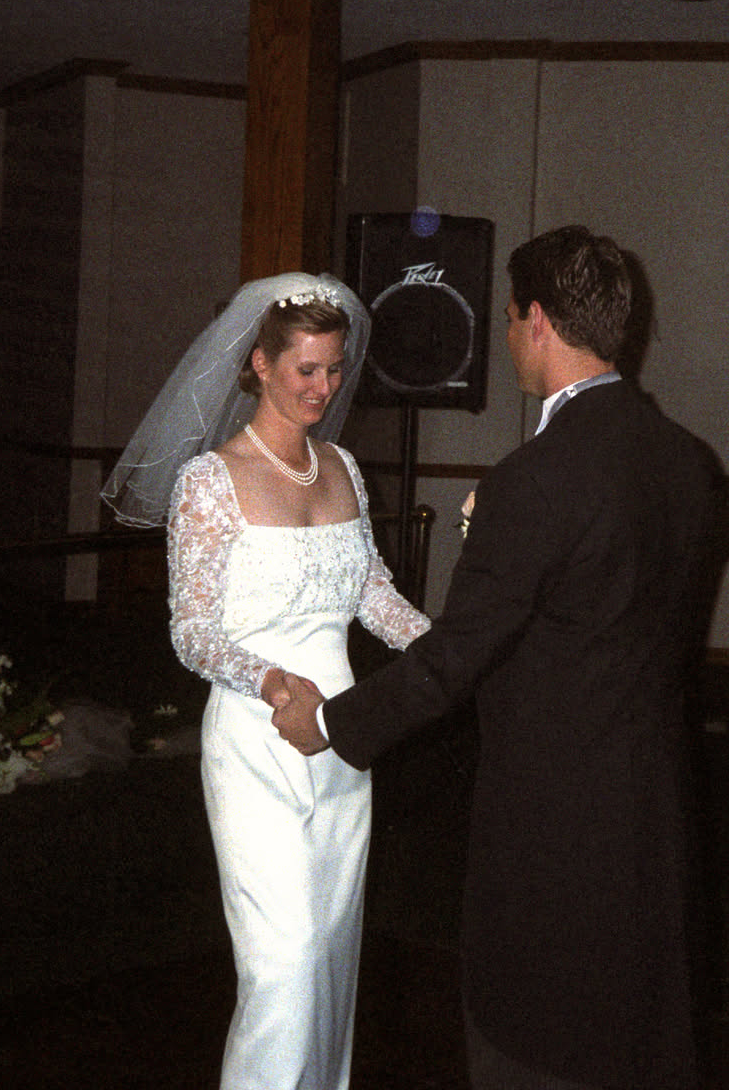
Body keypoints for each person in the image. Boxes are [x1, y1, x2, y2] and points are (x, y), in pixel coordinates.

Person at [274, 227, 722, 1090]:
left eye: (512, 318)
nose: (510, 335)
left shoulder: (535, 477)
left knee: (536, 1037)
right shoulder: (685, 460)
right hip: (654, 800)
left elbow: (455, 658)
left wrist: (329, 721)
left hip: (552, 812)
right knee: (634, 1033)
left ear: (539, 321)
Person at [100, 273, 431, 1090]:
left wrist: (449, 652)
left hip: (343, 742)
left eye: (333, 369)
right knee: (283, 966)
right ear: (258, 364)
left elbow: (372, 594)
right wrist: (277, 682)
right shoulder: (209, 480)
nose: (323, 387)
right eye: (304, 370)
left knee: (330, 959)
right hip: (257, 740)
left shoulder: (342, 467)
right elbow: (192, 631)